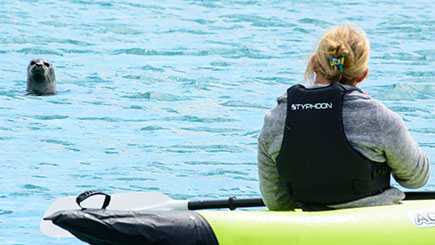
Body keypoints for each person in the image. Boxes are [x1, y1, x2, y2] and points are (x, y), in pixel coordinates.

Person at [257, 25, 430, 211]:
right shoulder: (381, 119)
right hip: (373, 224)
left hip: (308, 227)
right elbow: (416, 179)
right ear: (363, 75)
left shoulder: (275, 119)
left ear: (314, 64)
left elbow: (275, 201)